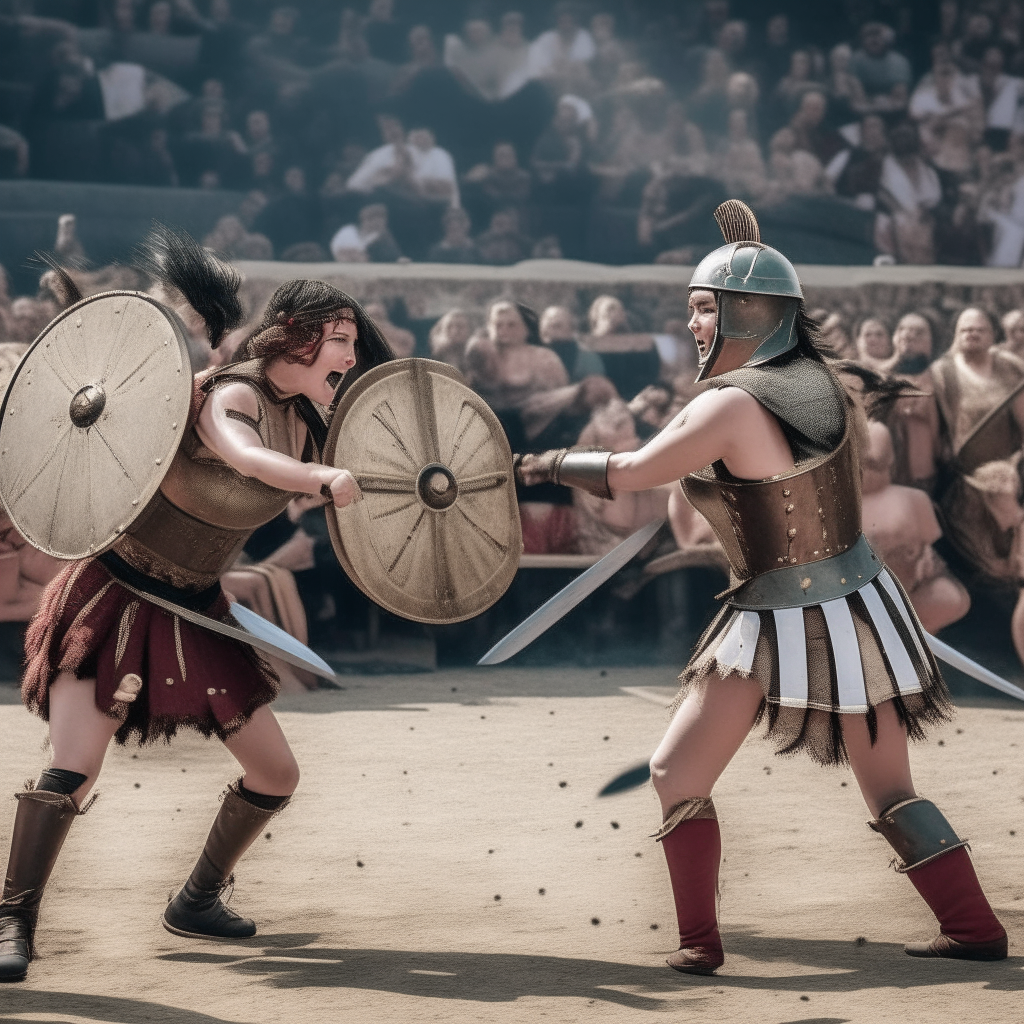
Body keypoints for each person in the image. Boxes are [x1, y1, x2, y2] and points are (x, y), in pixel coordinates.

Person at [517, 200, 1007, 974]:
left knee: (674, 774)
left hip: (782, 609)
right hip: (862, 601)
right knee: (889, 788)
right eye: (691, 310)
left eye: (706, 308)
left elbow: (635, 472)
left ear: (750, 311)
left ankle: (698, 945)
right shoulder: (823, 379)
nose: (694, 325)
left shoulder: (732, 401)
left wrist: (538, 464)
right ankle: (974, 928)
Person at [0, 232, 395, 983]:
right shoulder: (231, 393)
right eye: (339, 339)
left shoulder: (311, 414)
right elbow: (247, 458)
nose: (350, 353)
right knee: (75, 771)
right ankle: (12, 920)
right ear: (297, 338)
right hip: (116, 596)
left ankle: (197, 899)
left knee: (276, 774)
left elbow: (374, 461)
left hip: (195, 611)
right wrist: (319, 479)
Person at [861, 420, 970, 633]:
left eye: (877, 466)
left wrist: (926, 559)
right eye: (865, 467)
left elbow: (931, 552)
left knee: (951, 597)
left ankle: (914, 638)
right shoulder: (843, 509)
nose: (871, 474)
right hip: (869, 597)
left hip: (913, 590)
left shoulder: (914, 499)